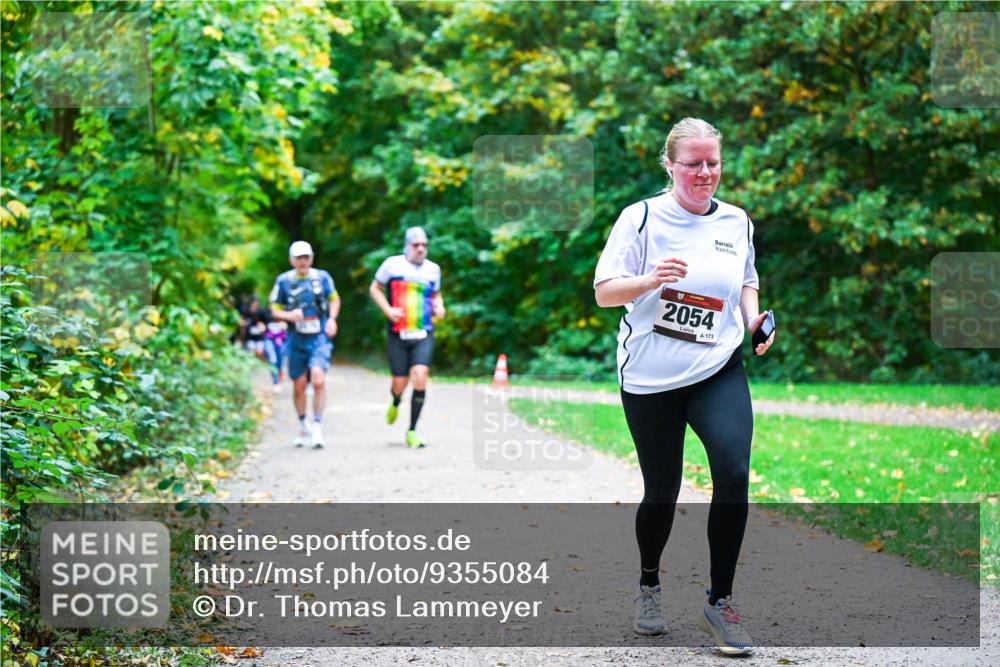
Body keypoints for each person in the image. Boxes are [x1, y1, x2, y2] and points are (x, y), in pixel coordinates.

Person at [593, 118, 775, 655]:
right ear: (669, 165)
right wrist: (651, 280)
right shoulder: (642, 218)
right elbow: (605, 292)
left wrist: (753, 319)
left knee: (734, 471)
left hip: (717, 366)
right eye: (692, 163)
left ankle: (720, 602)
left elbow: (746, 278)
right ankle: (649, 582)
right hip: (650, 377)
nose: (704, 172)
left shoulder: (737, 221)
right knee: (662, 490)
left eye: (712, 162)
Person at [368, 227, 445, 449]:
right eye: (416, 245)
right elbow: (375, 288)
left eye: (424, 245)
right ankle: (395, 400)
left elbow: (437, 294)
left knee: (420, 376)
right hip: (398, 333)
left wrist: (440, 306)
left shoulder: (433, 270)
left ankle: (412, 430)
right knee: (400, 383)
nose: (421, 249)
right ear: (407, 246)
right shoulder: (392, 265)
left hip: (423, 332)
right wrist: (388, 310)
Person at [269, 241, 340, 448]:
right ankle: (302, 424)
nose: (302, 261)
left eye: (306, 257)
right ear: (291, 260)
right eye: (298, 258)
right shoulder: (283, 281)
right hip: (296, 340)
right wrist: (288, 315)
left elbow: (334, 299)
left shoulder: (322, 278)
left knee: (318, 379)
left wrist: (332, 319)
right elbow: (274, 308)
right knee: (299, 386)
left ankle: (317, 426)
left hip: (319, 338)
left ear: (311, 258)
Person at [264, 317, 288, 393]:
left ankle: (280, 372)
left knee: (280, 361)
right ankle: (276, 383)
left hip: (281, 340)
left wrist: (286, 324)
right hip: (269, 339)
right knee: (272, 360)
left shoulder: (285, 307)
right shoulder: (266, 310)